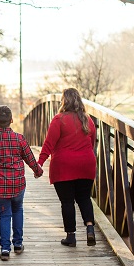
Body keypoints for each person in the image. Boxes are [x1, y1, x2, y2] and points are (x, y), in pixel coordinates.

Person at [0, 105, 43, 261]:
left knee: (5, 215)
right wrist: (37, 171)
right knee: (18, 210)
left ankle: (5, 249)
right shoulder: (19, 138)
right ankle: (18, 244)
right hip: (18, 184)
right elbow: (30, 158)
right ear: (11, 120)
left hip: (0, 187)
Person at [37, 88, 97, 247]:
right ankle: (90, 228)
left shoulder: (59, 119)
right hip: (86, 164)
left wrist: (39, 163)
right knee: (84, 198)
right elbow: (92, 143)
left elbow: (49, 144)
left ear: (64, 101)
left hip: (64, 166)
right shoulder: (87, 120)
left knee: (67, 202)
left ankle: (71, 236)